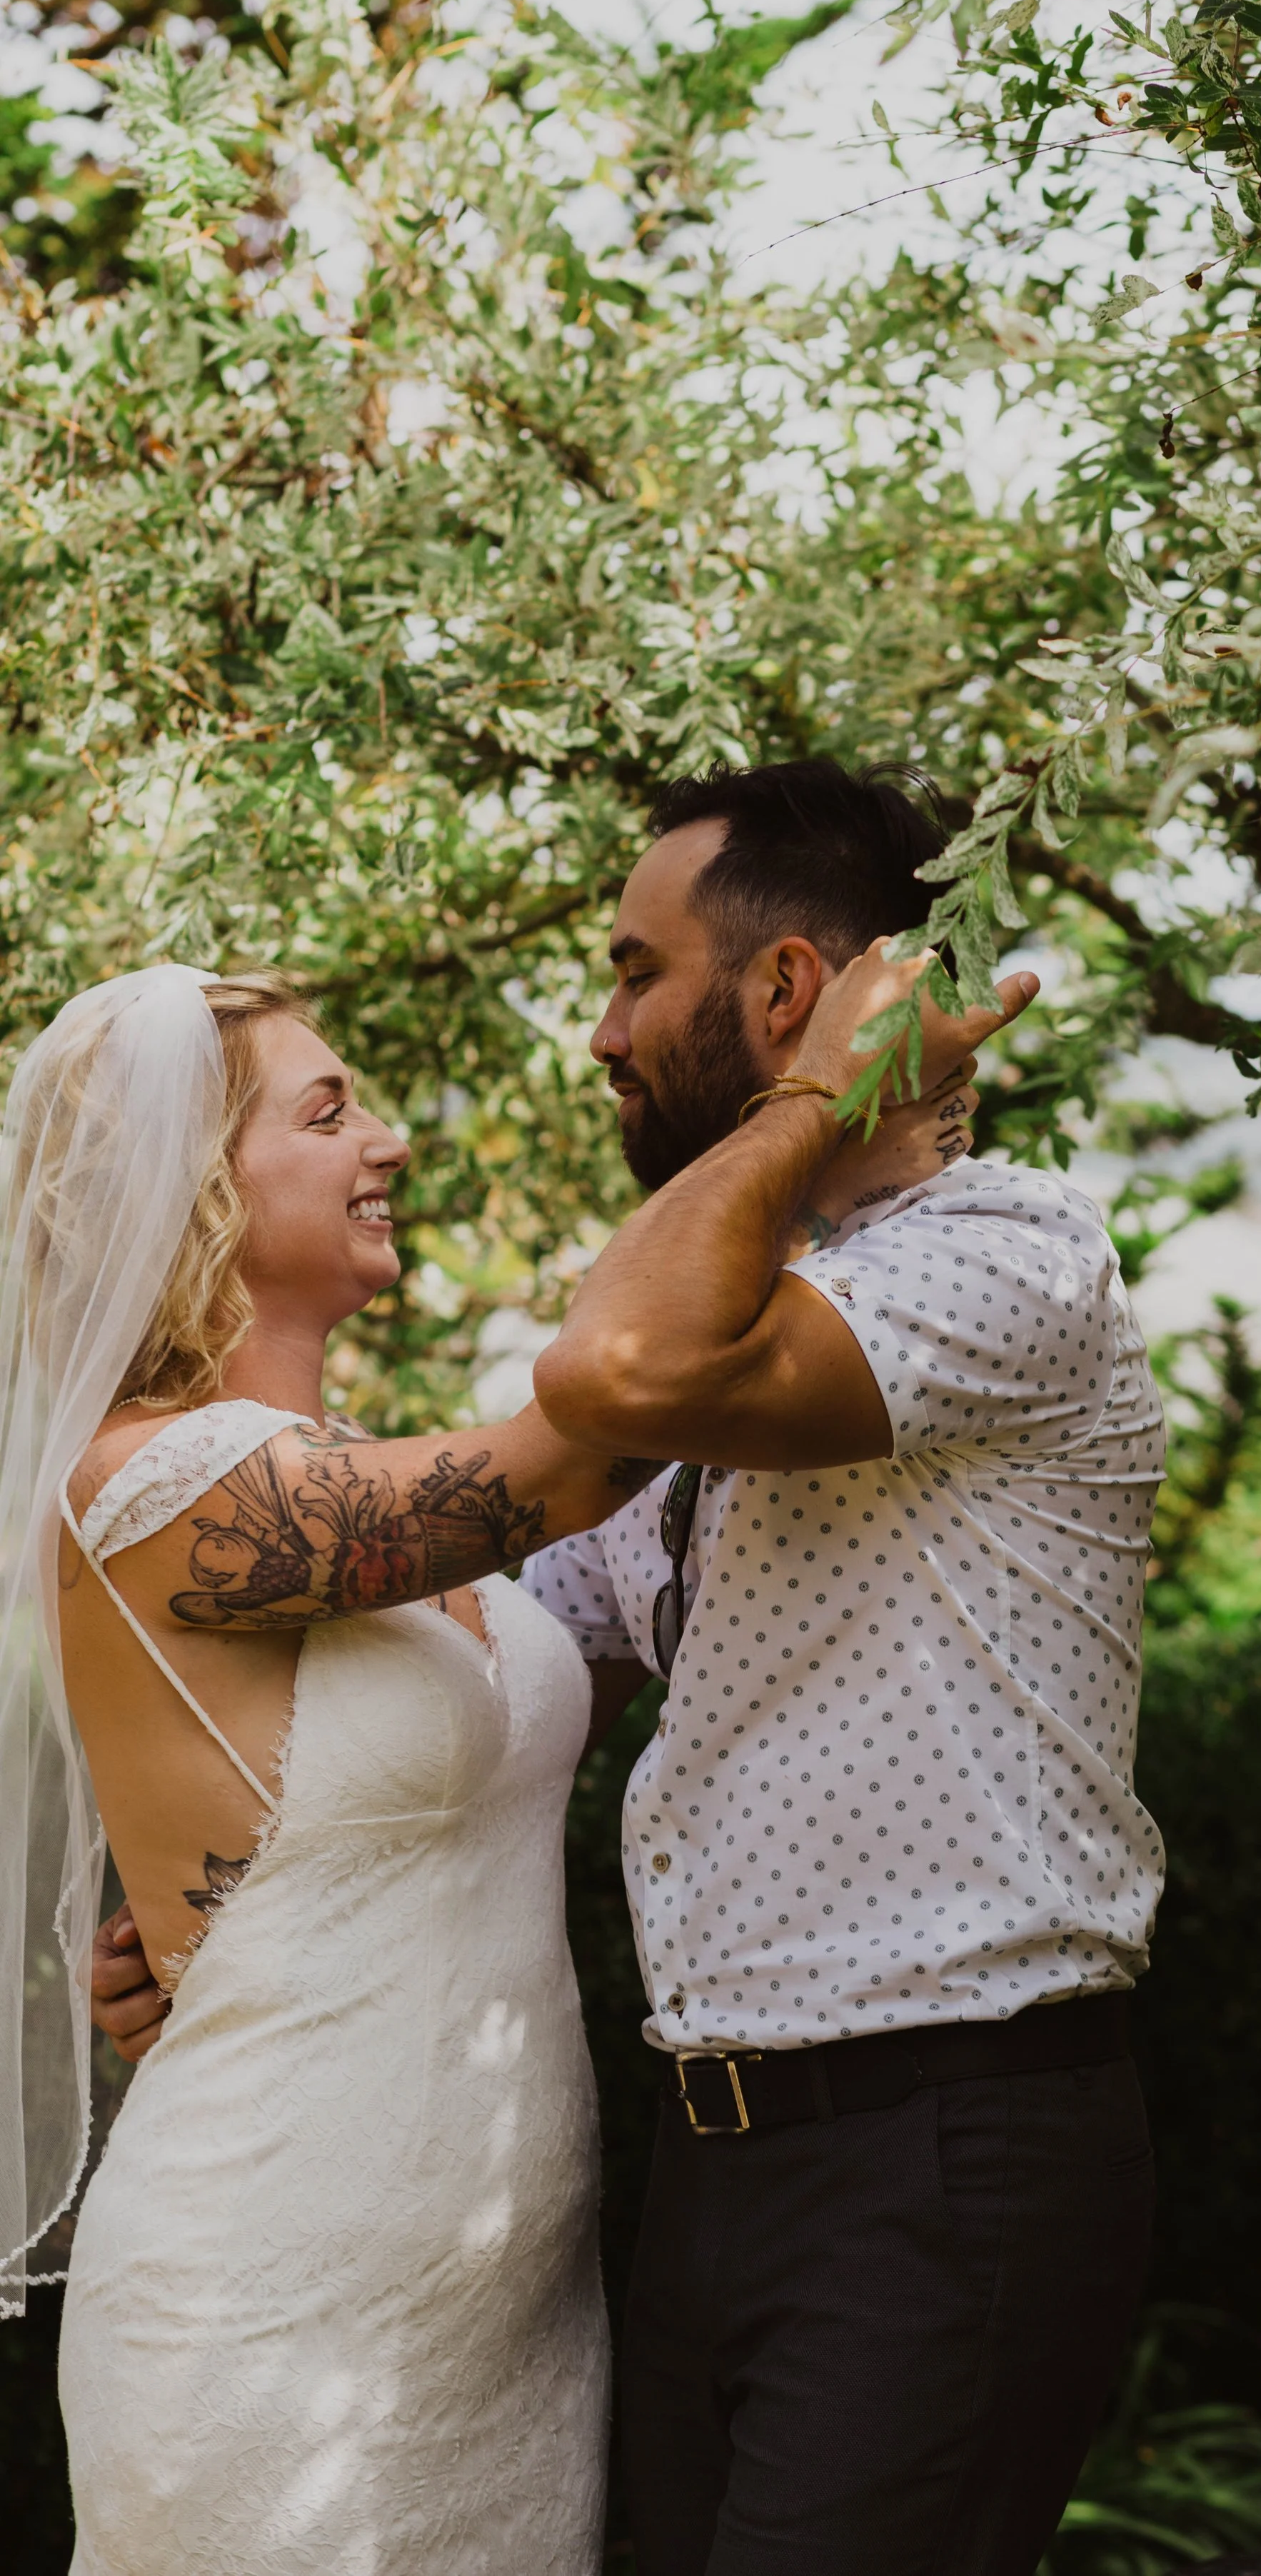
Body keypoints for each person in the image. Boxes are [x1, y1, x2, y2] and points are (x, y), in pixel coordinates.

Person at [36, 956, 983, 2575]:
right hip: (263, 2314)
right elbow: (607, 1422)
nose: (388, 1139)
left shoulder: (366, 1479)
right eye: (328, 1112)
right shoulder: (147, 1480)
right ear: (188, 1184)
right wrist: (819, 1093)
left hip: (509, 2334)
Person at [522, 759, 1169, 2576]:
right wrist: (244, 1900)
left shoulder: (1006, 1258)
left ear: (793, 992)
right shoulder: (754, 1319)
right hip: (713, 2166)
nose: (601, 1030)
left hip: (938, 2152)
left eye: (637, 970)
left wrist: (811, 1105)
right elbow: (506, 1653)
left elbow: (607, 1380)